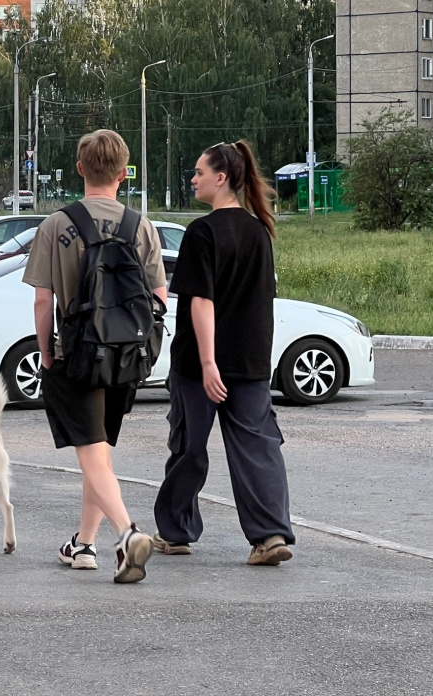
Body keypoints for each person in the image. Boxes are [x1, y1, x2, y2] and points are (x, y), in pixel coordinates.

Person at [23, 129, 167, 583]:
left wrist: (46, 354)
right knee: (98, 454)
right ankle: (84, 545)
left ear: (80, 169)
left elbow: (43, 301)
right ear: (124, 174)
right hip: (125, 358)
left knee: (90, 453)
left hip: (76, 356)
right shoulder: (139, 225)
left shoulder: (57, 225)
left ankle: (128, 534)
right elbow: (159, 297)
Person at [153, 140, 295, 567]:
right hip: (250, 362)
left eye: (198, 172)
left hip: (201, 365)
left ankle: (175, 533)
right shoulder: (258, 231)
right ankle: (269, 536)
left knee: (189, 448)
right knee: (258, 448)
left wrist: (209, 362)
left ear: (221, 178)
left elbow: (201, 301)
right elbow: (261, 302)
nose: (193, 179)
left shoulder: (202, 232)